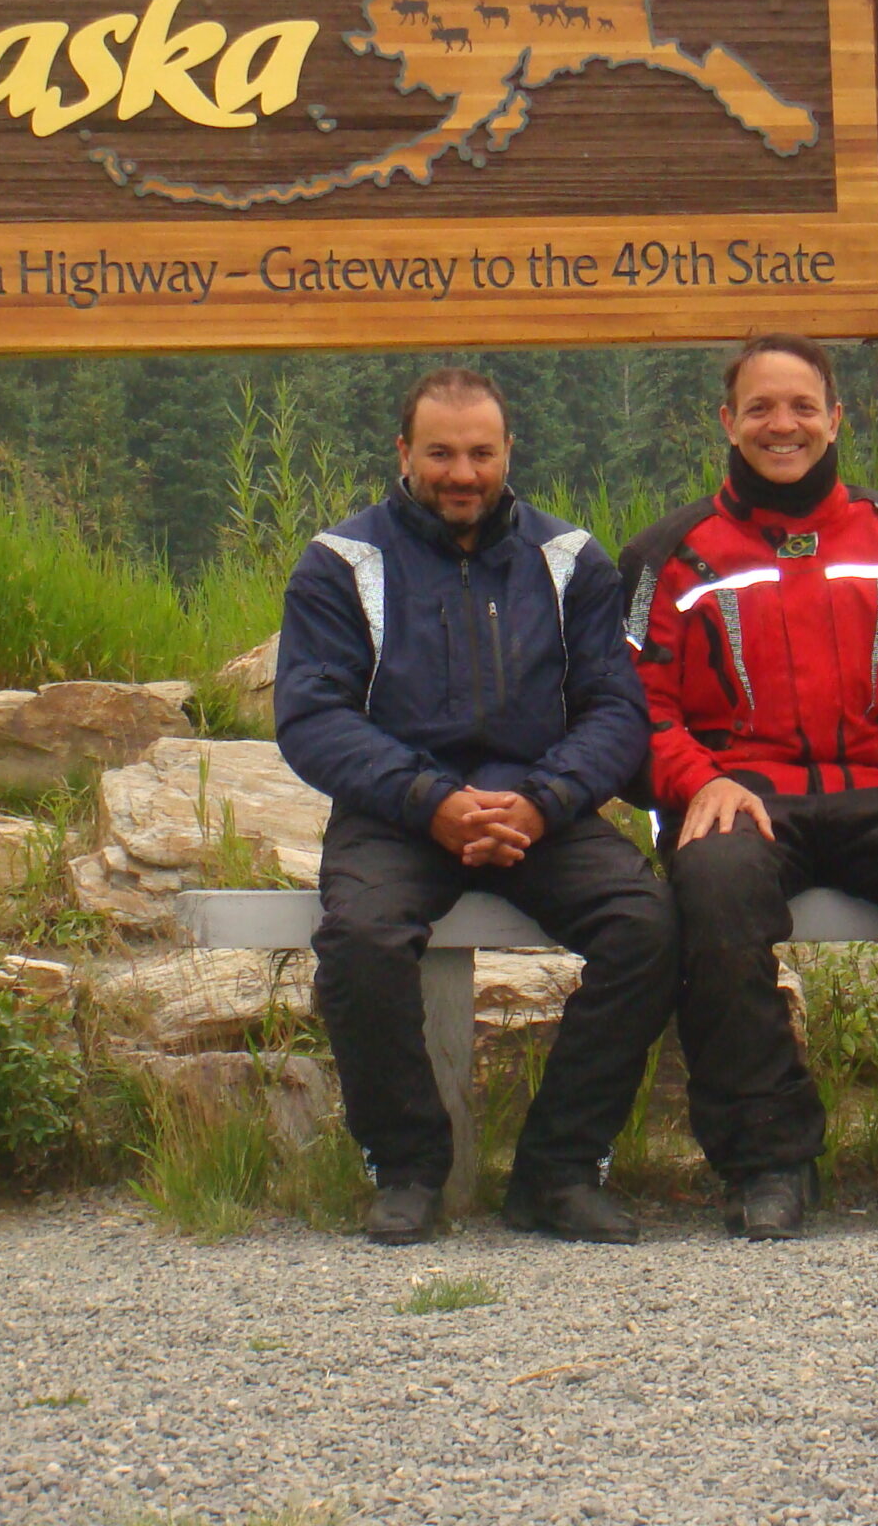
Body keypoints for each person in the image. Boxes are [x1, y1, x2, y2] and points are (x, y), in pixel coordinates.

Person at [618, 334, 878, 1239]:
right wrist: (698, 782)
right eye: (762, 408)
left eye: (803, 406)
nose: (785, 425)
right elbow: (635, 709)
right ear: (729, 422)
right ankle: (767, 1160)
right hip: (742, 797)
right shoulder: (670, 554)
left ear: (836, 417)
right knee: (715, 887)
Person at [274, 367, 677, 1247]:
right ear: (403, 453)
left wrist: (543, 800)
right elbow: (311, 718)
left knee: (647, 925)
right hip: (396, 810)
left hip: (543, 807)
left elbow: (616, 710)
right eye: (441, 453)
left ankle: (560, 1171)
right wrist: (432, 801)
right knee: (362, 941)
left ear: (507, 453)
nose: (463, 472)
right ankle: (410, 1167)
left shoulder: (570, 559)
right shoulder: (341, 563)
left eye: (481, 453)